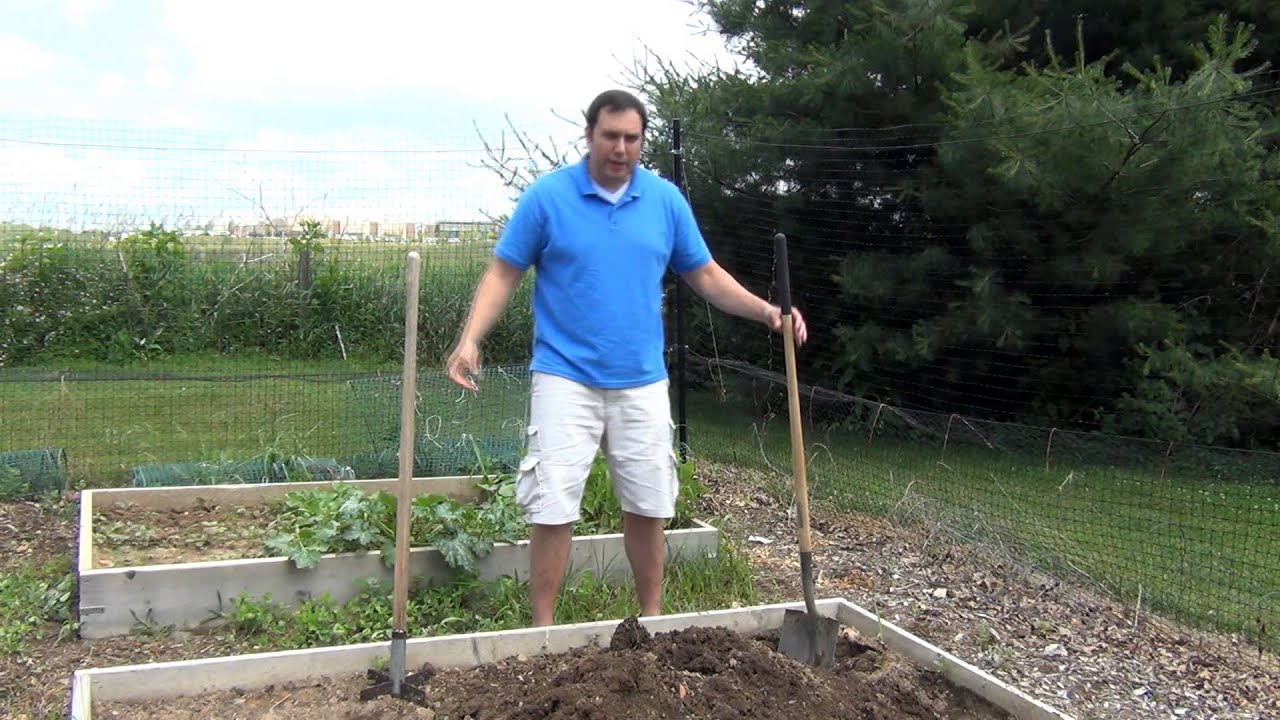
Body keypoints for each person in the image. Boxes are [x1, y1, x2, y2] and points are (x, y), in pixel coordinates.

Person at [445, 89, 808, 626]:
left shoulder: (664, 201)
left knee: (649, 503)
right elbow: (504, 271)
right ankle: (541, 631)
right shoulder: (548, 198)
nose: (620, 148)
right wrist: (469, 337)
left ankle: (652, 624)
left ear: (642, 141)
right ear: (589, 135)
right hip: (564, 376)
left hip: (641, 380)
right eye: (610, 136)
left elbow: (703, 273)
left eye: (631, 138)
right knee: (551, 504)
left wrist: (766, 311)